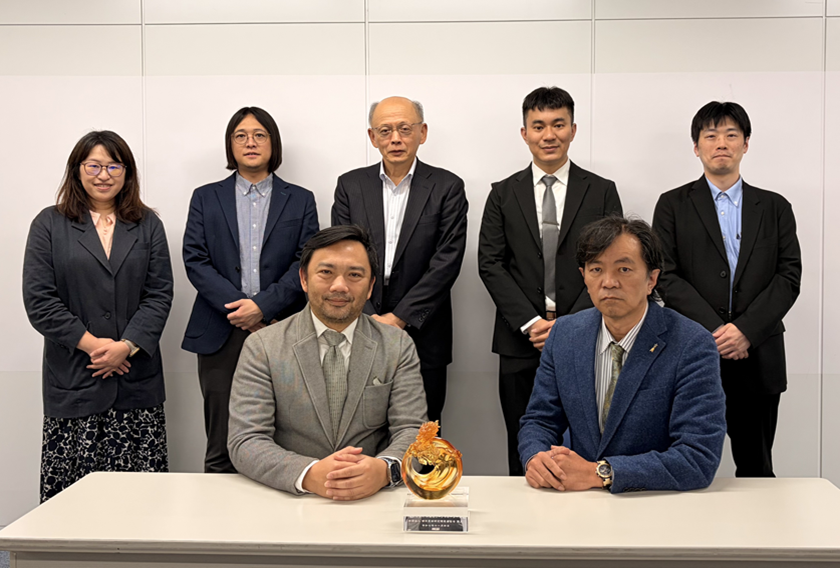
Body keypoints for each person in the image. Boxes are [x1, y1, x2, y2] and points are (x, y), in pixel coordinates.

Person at [519, 216, 726, 493]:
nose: (608, 282)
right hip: (579, 500)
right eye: (596, 269)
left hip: (656, 501)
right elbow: (539, 420)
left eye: (624, 269)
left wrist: (601, 473)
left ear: (652, 279)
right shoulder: (564, 335)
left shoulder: (692, 344)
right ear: (584, 277)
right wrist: (535, 457)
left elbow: (698, 458)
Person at [652, 102, 801, 477]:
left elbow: (788, 277)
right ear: (696, 146)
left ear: (745, 144)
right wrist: (717, 331)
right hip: (692, 352)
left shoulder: (775, 207)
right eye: (711, 135)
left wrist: (745, 331)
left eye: (731, 135)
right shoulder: (672, 205)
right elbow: (664, 275)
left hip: (758, 353)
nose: (721, 143)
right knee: (679, 465)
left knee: (757, 468)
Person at [478, 86, 622, 475]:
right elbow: (490, 264)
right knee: (523, 444)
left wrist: (569, 325)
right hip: (520, 339)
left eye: (558, 124)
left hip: (587, 336)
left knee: (588, 444)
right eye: (538, 126)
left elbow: (610, 264)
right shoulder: (502, 194)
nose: (549, 135)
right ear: (524, 133)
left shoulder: (601, 191)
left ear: (573, 130)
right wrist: (531, 323)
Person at [23, 130, 173, 502]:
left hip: (135, 378)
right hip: (75, 376)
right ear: (77, 170)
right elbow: (39, 300)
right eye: (93, 166)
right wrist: (93, 346)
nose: (103, 175)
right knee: (73, 503)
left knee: (140, 502)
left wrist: (126, 346)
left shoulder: (148, 225)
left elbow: (159, 294)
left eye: (113, 166)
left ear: (127, 172)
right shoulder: (49, 224)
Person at [228, 225, 427, 499]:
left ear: (370, 286)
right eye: (326, 272)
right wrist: (308, 474)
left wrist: (384, 470)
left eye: (354, 275)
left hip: (373, 498)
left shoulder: (397, 344)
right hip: (288, 498)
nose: (339, 286)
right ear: (304, 279)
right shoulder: (263, 346)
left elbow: (414, 431)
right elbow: (246, 440)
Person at [182, 106, 319, 473]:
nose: (250, 142)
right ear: (230, 145)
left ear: (273, 143)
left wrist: (263, 307)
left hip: (282, 327)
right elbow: (195, 259)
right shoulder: (205, 197)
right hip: (220, 330)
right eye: (240, 136)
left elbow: (305, 262)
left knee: (288, 434)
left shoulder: (300, 198)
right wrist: (241, 309)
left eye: (260, 135)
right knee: (221, 440)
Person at [331, 96, 468, 429]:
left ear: (422, 132)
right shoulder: (350, 185)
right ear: (372, 136)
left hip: (424, 328)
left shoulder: (447, 187)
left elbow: (447, 261)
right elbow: (342, 256)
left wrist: (400, 318)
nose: (395, 139)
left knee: (423, 433)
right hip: (360, 324)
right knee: (359, 429)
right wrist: (368, 316)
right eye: (385, 130)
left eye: (405, 129)